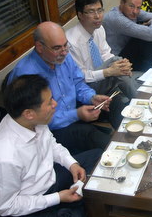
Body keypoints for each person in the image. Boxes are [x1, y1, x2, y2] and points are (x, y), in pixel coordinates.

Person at [0, 75, 102, 217]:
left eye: (51, 98)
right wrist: (58, 198)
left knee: (98, 156)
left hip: (48, 180)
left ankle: (76, 201)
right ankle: (78, 201)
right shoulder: (3, 157)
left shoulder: (34, 121)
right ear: (28, 113)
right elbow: (7, 206)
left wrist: (71, 163)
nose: (55, 104)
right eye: (49, 102)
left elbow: (52, 145)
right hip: (21, 207)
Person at [8, 22, 111, 154]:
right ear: (40, 47)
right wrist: (76, 114)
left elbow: (78, 83)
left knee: (115, 101)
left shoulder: (64, 57)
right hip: (50, 130)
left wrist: (91, 97)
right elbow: (37, 119)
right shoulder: (27, 74)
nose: (64, 52)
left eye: (65, 45)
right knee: (91, 136)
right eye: (57, 48)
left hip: (74, 115)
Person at [66, 0, 138, 109]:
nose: (97, 16)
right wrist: (108, 71)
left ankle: (133, 96)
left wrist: (120, 66)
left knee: (118, 62)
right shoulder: (71, 41)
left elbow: (106, 55)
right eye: (91, 11)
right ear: (80, 15)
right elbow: (80, 77)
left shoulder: (99, 29)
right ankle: (138, 98)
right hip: (85, 89)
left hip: (101, 80)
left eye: (100, 10)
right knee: (116, 61)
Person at [103, 0, 152, 72]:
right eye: (131, 6)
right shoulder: (117, 19)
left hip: (130, 51)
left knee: (149, 37)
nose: (135, 11)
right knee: (144, 38)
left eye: (138, 7)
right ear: (122, 3)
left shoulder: (131, 11)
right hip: (117, 59)